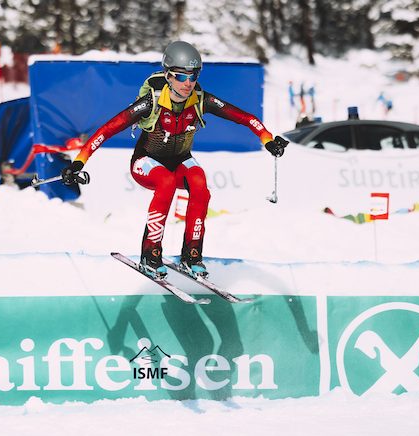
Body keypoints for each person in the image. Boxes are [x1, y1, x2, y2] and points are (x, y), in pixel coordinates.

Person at [61, 41, 288, 279]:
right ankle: (150, 254)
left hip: (180, 159)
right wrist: (78, 163)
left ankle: (192, 255)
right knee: (166, 182)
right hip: (146, 161)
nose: (188, 83)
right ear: (168, 75)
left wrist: (268, 140)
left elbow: (245, 117)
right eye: (181, 77)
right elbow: (106, 130)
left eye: (193, 76)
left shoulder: (201, 99)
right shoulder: (151, 101)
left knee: (199, 183)